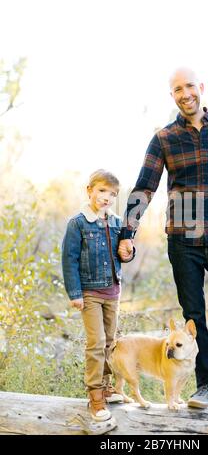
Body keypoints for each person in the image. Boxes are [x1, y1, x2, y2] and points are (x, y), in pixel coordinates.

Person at [118, 67, 208, 414]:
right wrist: (127, 233)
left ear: (202, 88)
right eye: (177, 89)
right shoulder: (164, 138)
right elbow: (144, 187)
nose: (185, 93)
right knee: (194, 314)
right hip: (184, 239)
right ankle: (205, 385)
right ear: (173, 96)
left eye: (190, 86)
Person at [62, 169, 135, 422]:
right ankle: (95, 396)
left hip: (112, 291)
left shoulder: (116, 223)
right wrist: (75, 293)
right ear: (90, 190)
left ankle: (106, 385)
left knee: (110, 341)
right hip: (90, 293)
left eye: (112, 194)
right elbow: (69, 260)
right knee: (95, 342)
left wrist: (128, 253)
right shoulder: (78, 223)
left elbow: (122, 253)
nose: (107, 197)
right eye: (102, 191)